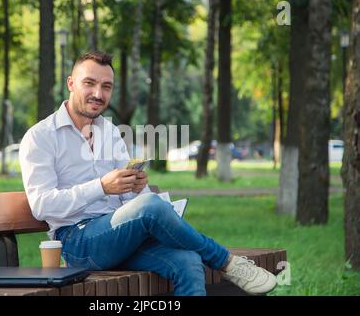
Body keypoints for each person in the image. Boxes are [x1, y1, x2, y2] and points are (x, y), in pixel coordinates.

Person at [19, 51, 277, 296]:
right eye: (90, 83)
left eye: (106, 86)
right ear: (71, 83)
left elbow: (131, 199)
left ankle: (219, 260)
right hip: (78, 242)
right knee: (150, 206)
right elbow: (41, 206)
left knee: (188, 261)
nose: (98, 93)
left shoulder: (108, 131)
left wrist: (135, 187)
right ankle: (226, 261)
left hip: (121, 237)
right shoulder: (41, 136)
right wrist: (102, 187)